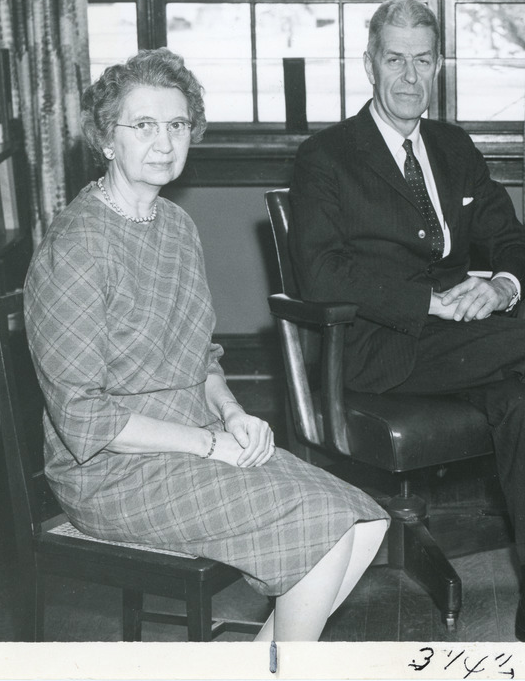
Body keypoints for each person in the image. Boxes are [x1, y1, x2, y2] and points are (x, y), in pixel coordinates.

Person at [24, 48, 389, 642]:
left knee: (364, 520)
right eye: (143, 125)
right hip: (110, 471)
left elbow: (200, 355)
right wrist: (205, 443)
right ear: (105, 139)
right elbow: (83, 417)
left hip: (192, 441)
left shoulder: (174, 226)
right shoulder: (77, 246)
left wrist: (233, 413)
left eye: (177, 124)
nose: (164, 141)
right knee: (323, 526)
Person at [287, 0, 525, 642]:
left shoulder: (453, 147)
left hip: (459, 343)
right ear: (369, 63)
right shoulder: (327, 156)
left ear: (438, 66)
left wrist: (505, 284)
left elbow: (512, 239)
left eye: (422, 60)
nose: (408, 77)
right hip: (377, 345)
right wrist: (431, 301)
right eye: (394, 59)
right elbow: (322, 273)